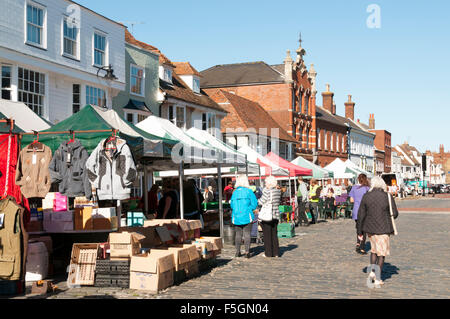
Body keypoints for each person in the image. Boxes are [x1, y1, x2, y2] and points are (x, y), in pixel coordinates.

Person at [357, 176, 399, 288]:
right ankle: (378, 278)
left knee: (374, 250)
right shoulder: (387, 196)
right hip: (384, 228)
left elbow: (361, 214)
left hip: (370, 228)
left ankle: (372, 271)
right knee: (382, 253)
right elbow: (394, 214)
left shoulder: (366, 196)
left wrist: (359, 231)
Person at [230, 174, 258, 259]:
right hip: (247, 215)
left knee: (238, 234)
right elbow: (254, 204)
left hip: (236, 215)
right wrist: (250, 209)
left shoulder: (234, 192)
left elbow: (231, 205)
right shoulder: (249, 191)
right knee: (247, 234)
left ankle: (237, 252)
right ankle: (247, 252)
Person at [258, 176, 281, 258]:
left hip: (268, 215)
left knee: (267, 235)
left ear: (269, 183)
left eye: (266, 182)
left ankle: (268, 253)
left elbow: (261, 201)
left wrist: (257, 200)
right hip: (276, 215)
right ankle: (276, 253)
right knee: (274, 234)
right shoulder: (278, 192)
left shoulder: (267, 192)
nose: (265, 184)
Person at [349, 174, 371, 255]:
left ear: (358, 179)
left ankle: (358, 242)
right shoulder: (367, 188)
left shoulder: (354, 187)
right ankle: (362, 247)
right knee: (364, 229)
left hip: (356, 211)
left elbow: (351, 200)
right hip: (364, 211)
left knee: (358, 228)